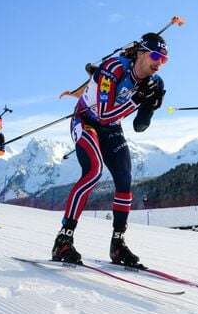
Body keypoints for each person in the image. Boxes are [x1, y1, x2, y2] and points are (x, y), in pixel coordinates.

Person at [52, 33, 168, 265]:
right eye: (156, 56)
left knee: (125, 179)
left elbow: (139, 126)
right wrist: (137, 100)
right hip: (86, 120)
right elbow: (103, 115)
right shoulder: (113, 68)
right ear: (142, 53)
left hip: (111, 127)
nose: (159, 63)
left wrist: (151, 105)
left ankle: (118, 245)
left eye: (164, 59)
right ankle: (63, 240)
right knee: (93, 171)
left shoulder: (156, 82)